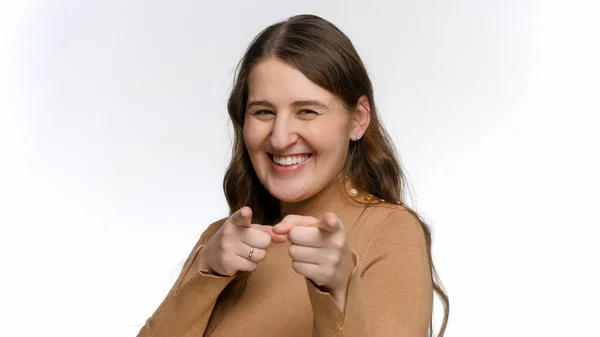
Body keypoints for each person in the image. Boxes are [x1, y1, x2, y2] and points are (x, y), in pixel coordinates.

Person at [138, 14, 449, 337]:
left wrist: (338, 294)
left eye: (307, 111)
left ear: (358, 119)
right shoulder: (221, 241)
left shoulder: (391, 232)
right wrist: (204, 274)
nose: (280, 137)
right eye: (263, 112)